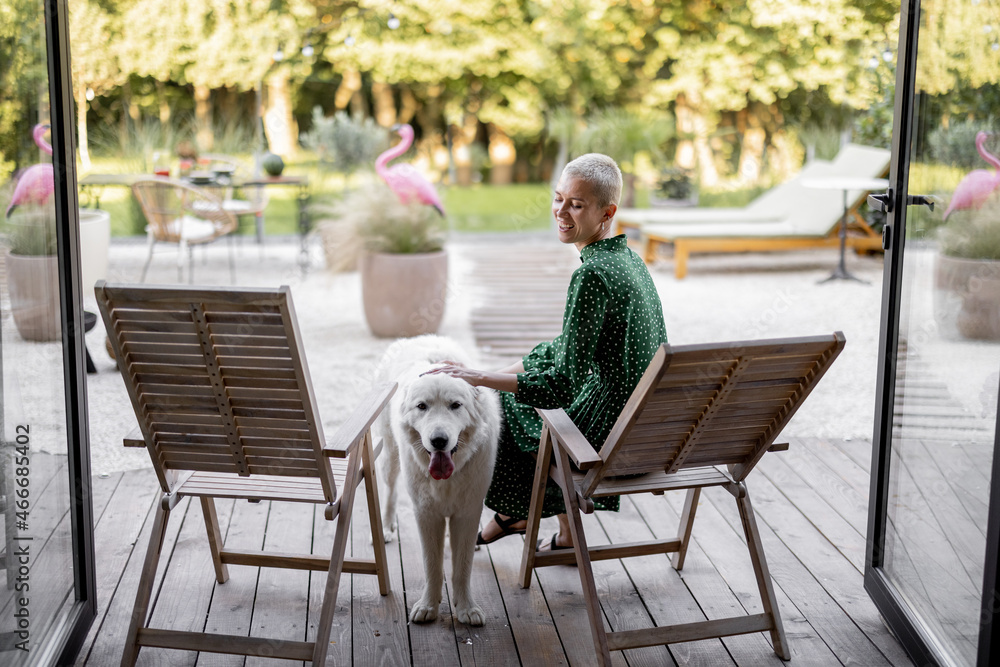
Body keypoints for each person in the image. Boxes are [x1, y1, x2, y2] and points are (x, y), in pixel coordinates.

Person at [425, 153, 667, 551]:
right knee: (522, 388)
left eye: (577, 204)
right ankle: (565, 534)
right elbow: (564, 349)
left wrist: (481, 379)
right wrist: (497, 369)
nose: (561, 211)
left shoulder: (591, 274)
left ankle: (516, 513)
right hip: (647, 425)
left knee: (501, 407)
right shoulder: (627, 260)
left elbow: (560, 387)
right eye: (559, 199)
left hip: (607, 435)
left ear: (607, 212)